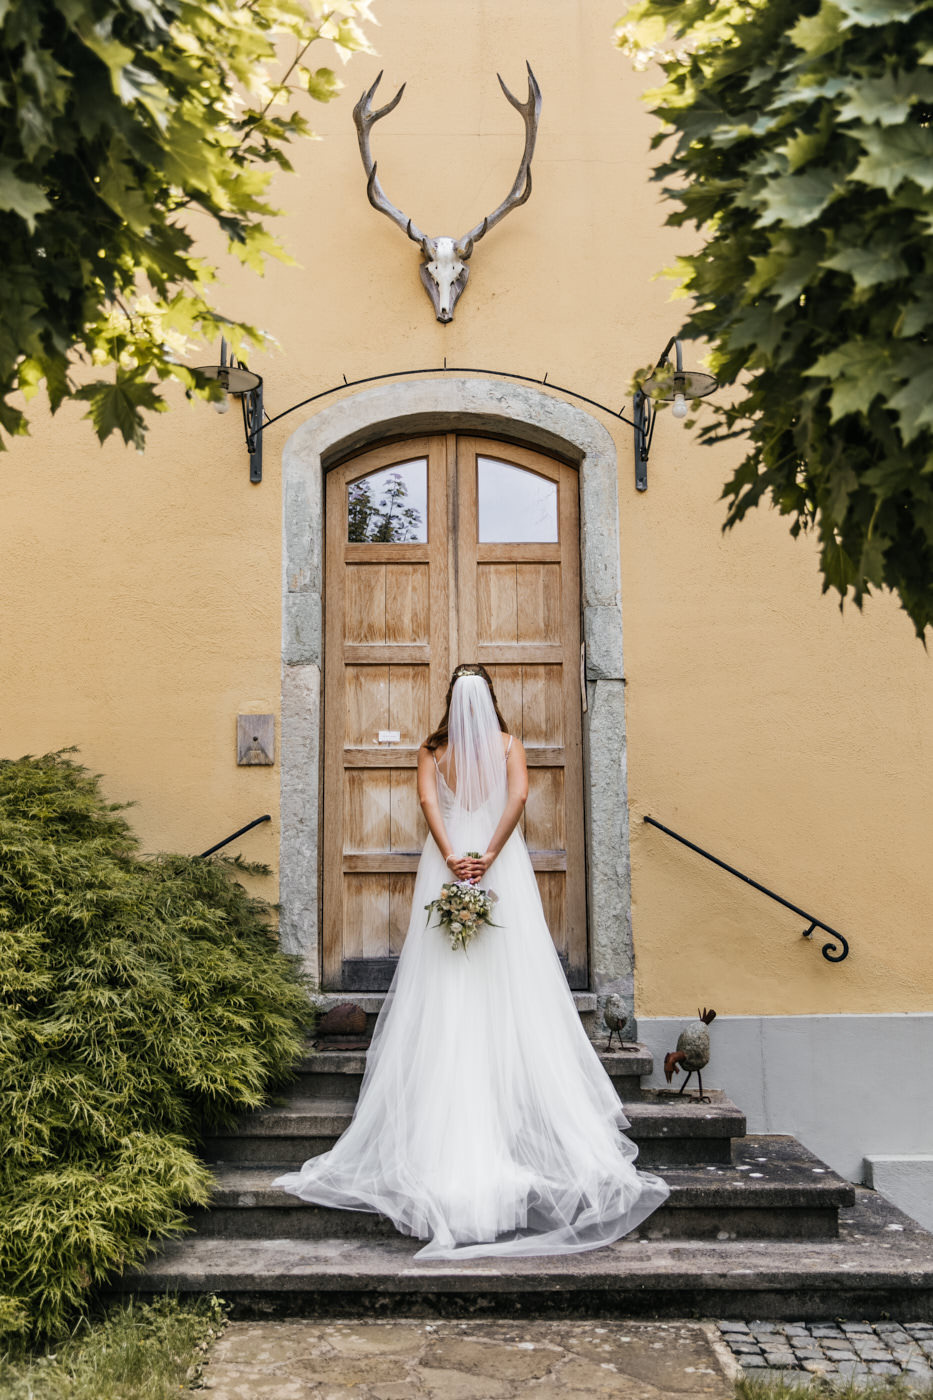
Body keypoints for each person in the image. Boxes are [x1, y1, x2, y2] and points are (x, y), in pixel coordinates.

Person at [273, 663, 669, 1257]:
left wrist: (454, 854)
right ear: (490, 699)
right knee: (512, 972)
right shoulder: (510, 745)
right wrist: (488, 854)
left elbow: (428, 803)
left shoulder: (433, 750)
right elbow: (518, 797)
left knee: (446, 975)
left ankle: (447, 1119)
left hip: (450, 860)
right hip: (496, 861)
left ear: (452, 701)